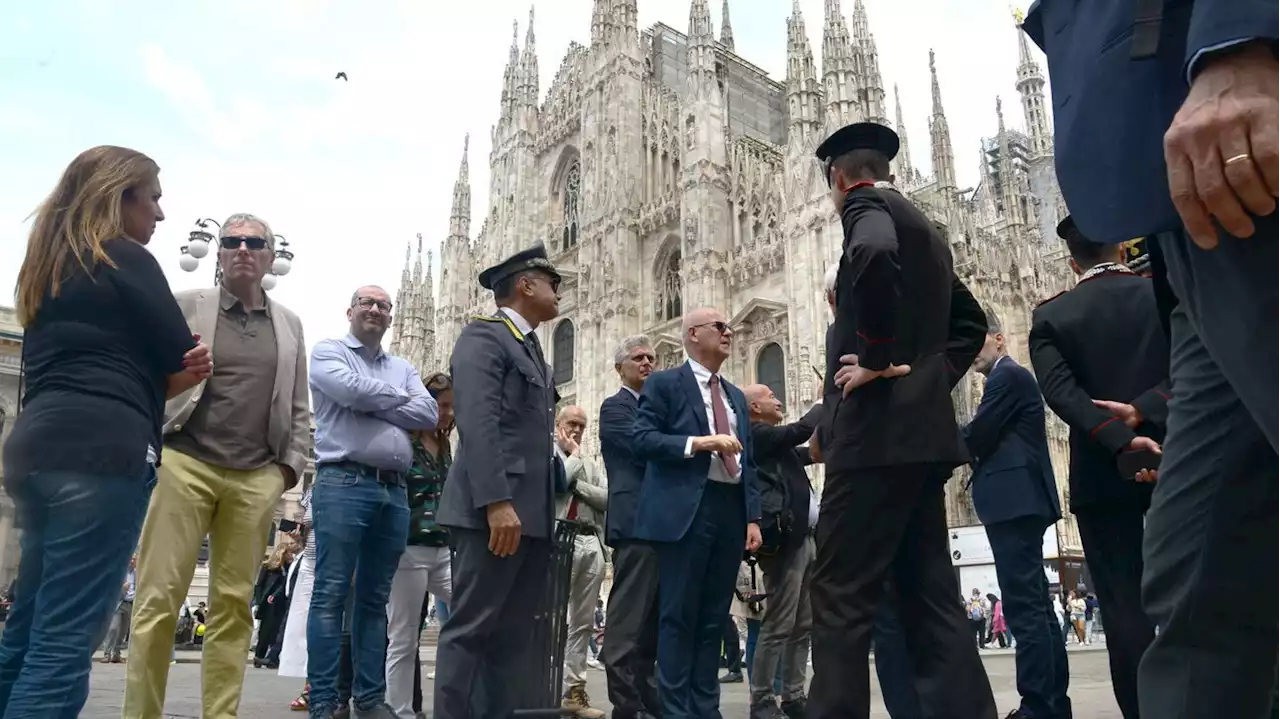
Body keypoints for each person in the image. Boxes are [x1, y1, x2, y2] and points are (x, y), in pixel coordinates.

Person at [1021, 4, 1280, 717]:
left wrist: (1240, 40)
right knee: (1192, 565)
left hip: (1236, 146)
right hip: (1178, 222)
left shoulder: (1052, 317)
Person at [0, 146, 207, 717]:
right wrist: (190, 363)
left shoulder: (45, 271)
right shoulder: (125, 257)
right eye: (155, 198)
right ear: (121, 197)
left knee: (27, 628)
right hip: (102, 454)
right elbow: (182, 355)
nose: (161, 215)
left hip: (34, 452)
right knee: (64, 642)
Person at [809, 122, 995, 719]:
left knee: (838, 597)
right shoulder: (928, 229)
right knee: (930, 600)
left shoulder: (864, 207)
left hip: (872, 445)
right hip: (920, 444)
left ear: (839, 178)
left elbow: (871, 252)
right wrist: (922, 383)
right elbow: (970, 325)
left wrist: (877, 359)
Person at [126, 212, 312, 719]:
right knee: (157, 600)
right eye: (231, 241)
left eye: (255, 242)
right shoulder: (187, 306)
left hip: (256, 476)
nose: (242, 249)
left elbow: (299, 405)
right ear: (222, 253)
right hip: (185, 461)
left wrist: (286, 471)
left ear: (270, 256)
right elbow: (141, 372)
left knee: (233, 607)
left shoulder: (290, 325)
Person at [1027, 215, 1167, 719]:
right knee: (1202, 584)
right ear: (1124, 249)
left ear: (1071, 261)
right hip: (1178, 459)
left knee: (1122, 605)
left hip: (1101, 474)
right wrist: (1146, 414)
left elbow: (1062, 394)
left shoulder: (1052, 316)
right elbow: (1196, 360)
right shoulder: (1161, 295)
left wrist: (1119, 441)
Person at [433, 244, 562, 719]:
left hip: (529, 516)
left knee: (512, 636)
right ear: (525, 285)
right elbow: (478, 422)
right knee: (470, 630)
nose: (559, 291)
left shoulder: (532, 350)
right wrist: (496, 502)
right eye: (553, 282)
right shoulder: (484, 338)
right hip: (494, 513)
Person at [307, 285, 438, 719]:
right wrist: (395, 401)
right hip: (344, 481)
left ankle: (369, 698)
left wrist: (374, 401)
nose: (375, 310)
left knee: (373, 600)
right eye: (367, 302)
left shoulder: (402, 365)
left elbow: (429, 415)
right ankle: (325, 701)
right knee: (330, 594)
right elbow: (349, 393)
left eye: (383, 305)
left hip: (393, 490)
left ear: (391, 317)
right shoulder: (329, 352)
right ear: (350, 310)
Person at [631, 306, 764, 719]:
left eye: (730, 327)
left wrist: (753, 517)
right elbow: (642, 438)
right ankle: (675, 711)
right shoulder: (667, 384)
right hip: (686, 509)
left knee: (712, 619)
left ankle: (706, 709)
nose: (729, 333)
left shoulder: (736, 396)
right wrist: (699, 443)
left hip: (728, 510)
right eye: (720, 327)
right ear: (692, 335)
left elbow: (750, 463)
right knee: (678, 617)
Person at [964, 311, 1071, 719]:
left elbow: (978, 434)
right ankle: (1053, 705)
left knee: (1025, 609)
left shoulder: (1007, 378)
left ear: (999, 339)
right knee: (1037, 608)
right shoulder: (1007, 379)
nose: (972, 354)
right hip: (1020, 501)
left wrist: (930, 444)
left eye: (978, 344)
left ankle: (1038, 707)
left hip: (1014, 502)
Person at [740, 383, 823, 719]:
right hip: (785, 544)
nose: (778, 398)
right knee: (779, 624)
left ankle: (792, 695)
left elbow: (813, 452)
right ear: (754, 408)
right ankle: (761, 699)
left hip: (806, 539)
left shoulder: (778, 446)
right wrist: (823, 397)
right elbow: (802, 430)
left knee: (803, 624)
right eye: (770, 396)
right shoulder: (757, 435)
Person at [598, 336, 662, 719]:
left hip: (662, 524)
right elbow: (642, 447)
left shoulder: (656, 409)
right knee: (627, 619)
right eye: (638, 358)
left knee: (652, 620)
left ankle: (646, 694)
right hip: (636, 521)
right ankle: (625, 704)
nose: (647, 363)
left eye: (652, 357)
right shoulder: (614, 408)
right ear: (620, 367)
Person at [386, 372, 455, 719]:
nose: (447, 414)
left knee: (472, 608)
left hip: (443, 548)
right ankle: (400, 711)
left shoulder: (445, 446)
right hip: (408, 549)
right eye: (442, 406)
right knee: (403, 636)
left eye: (451, 408)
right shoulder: (402, 441)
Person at [553, 405, 609, 718]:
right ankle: (544, 689)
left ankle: (574, 693)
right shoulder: (548, 457)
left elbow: (606, 498)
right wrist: (573, 458)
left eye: (582, 426)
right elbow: (558, 483)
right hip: (560, 539)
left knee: (583, 623)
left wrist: (579, 485)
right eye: (571, 424)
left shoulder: (590, 463)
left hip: (591, 540)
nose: (576, 430)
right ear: (557, 425)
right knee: (552, 618)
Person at [253, 543, 294, 669]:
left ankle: (271, 658)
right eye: (288, 553)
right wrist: (259, 602)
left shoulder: (288, 567)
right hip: (268, 603)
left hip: (281, 603)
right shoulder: (268, 567)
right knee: (265, 631)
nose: (290, 555)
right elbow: (259, 585)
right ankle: (259, 656)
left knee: (277, 631)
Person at [101, 555, 139, 664]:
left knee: (123, 631)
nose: (132, 561)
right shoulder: (121, 571)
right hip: (119, 603)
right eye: (131, 558)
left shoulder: (137, 573)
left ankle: (116, 654)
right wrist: (121, 587)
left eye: (134, 559)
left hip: (130, 604)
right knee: (113, 628)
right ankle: (106, 654)